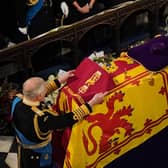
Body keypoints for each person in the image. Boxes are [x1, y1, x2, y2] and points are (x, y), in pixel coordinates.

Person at [11, 70, 106, 168]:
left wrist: (60, 80)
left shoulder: (17, 99)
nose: (45, 93)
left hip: (23, 146)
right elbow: (66, 120)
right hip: (38, 155)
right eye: (43, 93)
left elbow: (37, 93)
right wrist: (91, 103)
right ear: (39, 96)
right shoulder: (41, 118)